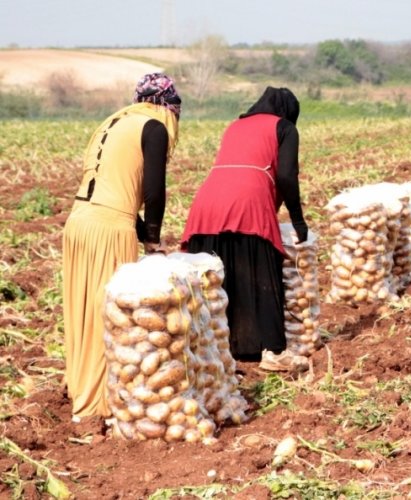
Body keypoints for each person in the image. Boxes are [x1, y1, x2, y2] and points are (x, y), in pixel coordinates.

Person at [62, 73, 181, 418]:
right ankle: (96, 405)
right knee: (111, 318)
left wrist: (143, 232)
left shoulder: (114, 122)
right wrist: (154, 240)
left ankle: (79, 385)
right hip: (109, 230)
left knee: (82, 312)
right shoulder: (153, 127)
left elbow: (112, 187)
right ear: (168, 108)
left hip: (79, 221)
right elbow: (153, 192)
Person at [181, 87, 309, 372]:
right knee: (262, 273)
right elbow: (287, 175)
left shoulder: (236, 125)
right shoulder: (284, 127)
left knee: (217, 282)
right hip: (247, 201)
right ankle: (273, 352)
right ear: (288, 112)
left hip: (207, 202)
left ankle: (215, 353)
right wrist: (298, 222)